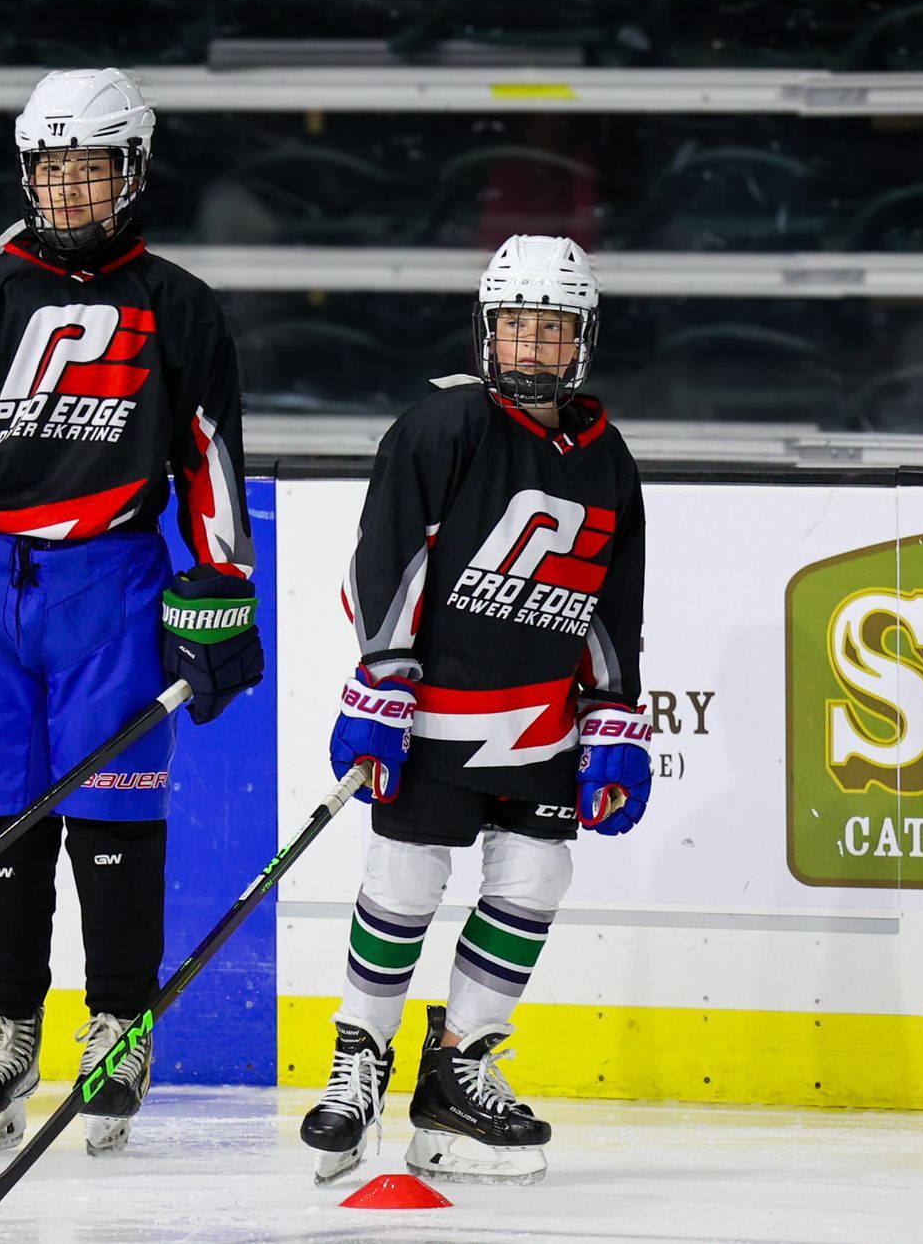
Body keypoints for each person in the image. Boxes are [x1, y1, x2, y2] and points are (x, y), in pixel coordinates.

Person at [0, 67, 263, 1157]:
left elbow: (210, 461)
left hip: (114, 585)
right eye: (50, 169)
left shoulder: (176, 304)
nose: (68, 191)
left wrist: (220, 582)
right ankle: (7, 1029)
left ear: (132, 173)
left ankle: (118, 1027)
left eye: (89, 170)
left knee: (115, 813)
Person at [300, 234, 652, 1186]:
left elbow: (612, 606)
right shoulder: (444, 423)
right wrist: (381, 681)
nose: (529, 347)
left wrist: (614, 719)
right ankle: (358, 1058)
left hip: (541, 723)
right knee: (405, 879)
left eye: (549, 329)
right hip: (438, 716)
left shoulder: (608, 456)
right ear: (487, 331)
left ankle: (462, 1064)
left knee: (535, 880)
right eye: (514, 327)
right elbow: (384, 560)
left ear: (580, 338)